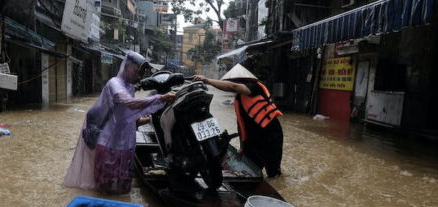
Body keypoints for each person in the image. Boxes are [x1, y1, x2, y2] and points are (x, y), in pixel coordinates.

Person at [64, 51, 176, 194]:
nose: (139, 76)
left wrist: (152, 114)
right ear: (127, 67)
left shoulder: (130, 87)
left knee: (123, 188)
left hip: (126, 146)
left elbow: (128, 117)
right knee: (105, 188)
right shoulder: (114, 84)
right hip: (109, 145)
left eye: (141, 73)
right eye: (137, 71)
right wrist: (160, 98)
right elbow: (128, 103)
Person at [193, 64, 284, 178]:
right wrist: (242, 146)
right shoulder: (239, 99)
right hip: (253, 139)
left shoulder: (254, 87)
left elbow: (233, 86)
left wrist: (207, 80)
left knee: (273, 173)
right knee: (252, 171)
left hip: (270, 136)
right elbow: (241, 125)